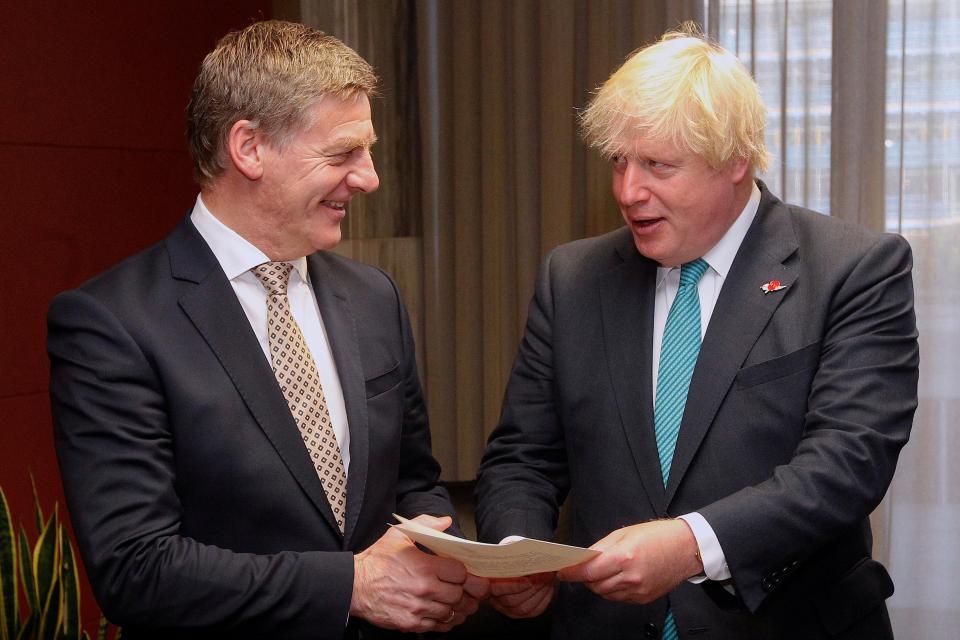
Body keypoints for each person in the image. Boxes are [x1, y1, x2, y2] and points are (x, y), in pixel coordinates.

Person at [474, 24, 918, 640]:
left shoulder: (852, 269)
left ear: (735, 159)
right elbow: (523, 456)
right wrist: (518, 555)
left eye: (659, 165)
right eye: (619, 163)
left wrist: (690, 545)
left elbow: (846, 463)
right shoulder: (573, 279)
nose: (629, 192)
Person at [48, 20, 486, 639]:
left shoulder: (373, 296)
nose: (369, 178)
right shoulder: (112, 324)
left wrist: (453, 564)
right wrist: (352, 587)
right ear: (248, 148)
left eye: (368, 151)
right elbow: (136, 568)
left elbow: (414, 482)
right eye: (342, 154)